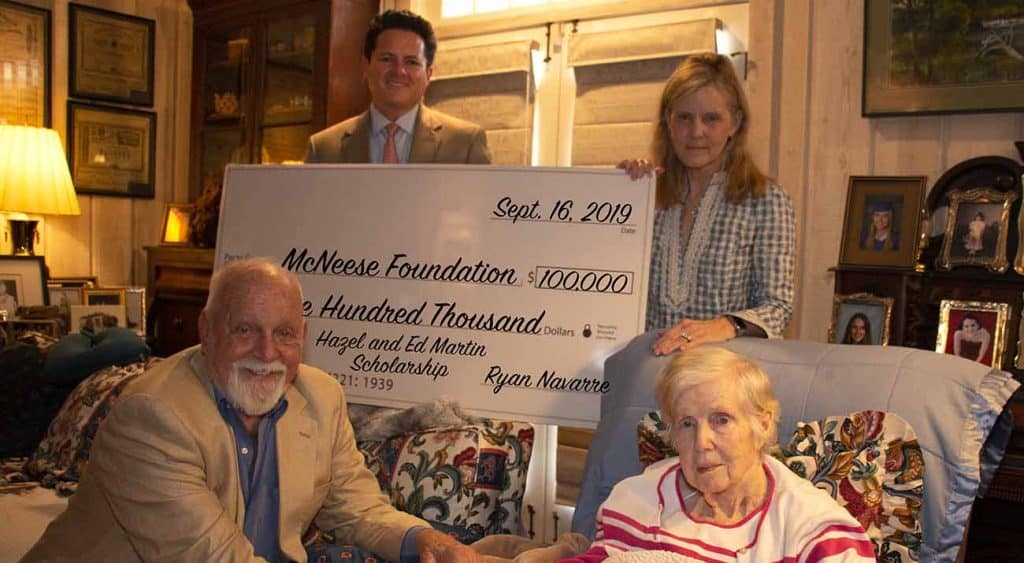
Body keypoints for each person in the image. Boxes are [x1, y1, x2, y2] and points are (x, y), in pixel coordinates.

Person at [22, 258, 483, 563]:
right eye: (245, 329)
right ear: (206, 330)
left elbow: (354, 505)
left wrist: (423, 540)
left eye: (285, 334)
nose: (267, 353)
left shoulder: (320, 396)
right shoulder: (152, 417)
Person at [561, 347, 875, 562]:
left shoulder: (815, 532)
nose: (702, 442)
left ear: (762, 424)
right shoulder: (636, 502)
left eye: (721, 420)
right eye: (686, 424)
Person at [619, 53, 795, 356]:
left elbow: (777, 308)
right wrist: (616, 193)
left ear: (735, 123)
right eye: (684, 118)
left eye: (711, 118)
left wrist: (725, 326)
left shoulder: (765, 201)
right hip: (641, 377)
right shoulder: (645, 196)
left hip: (718, 382)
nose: (696, 131)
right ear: (668, 122)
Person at [306, 9, 491, 164]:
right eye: (387, 59)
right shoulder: (323, 149)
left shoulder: (466, 144)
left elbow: (484, 207)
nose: (399, 71)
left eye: (411, 62)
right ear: (365, 66)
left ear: (429, 74)